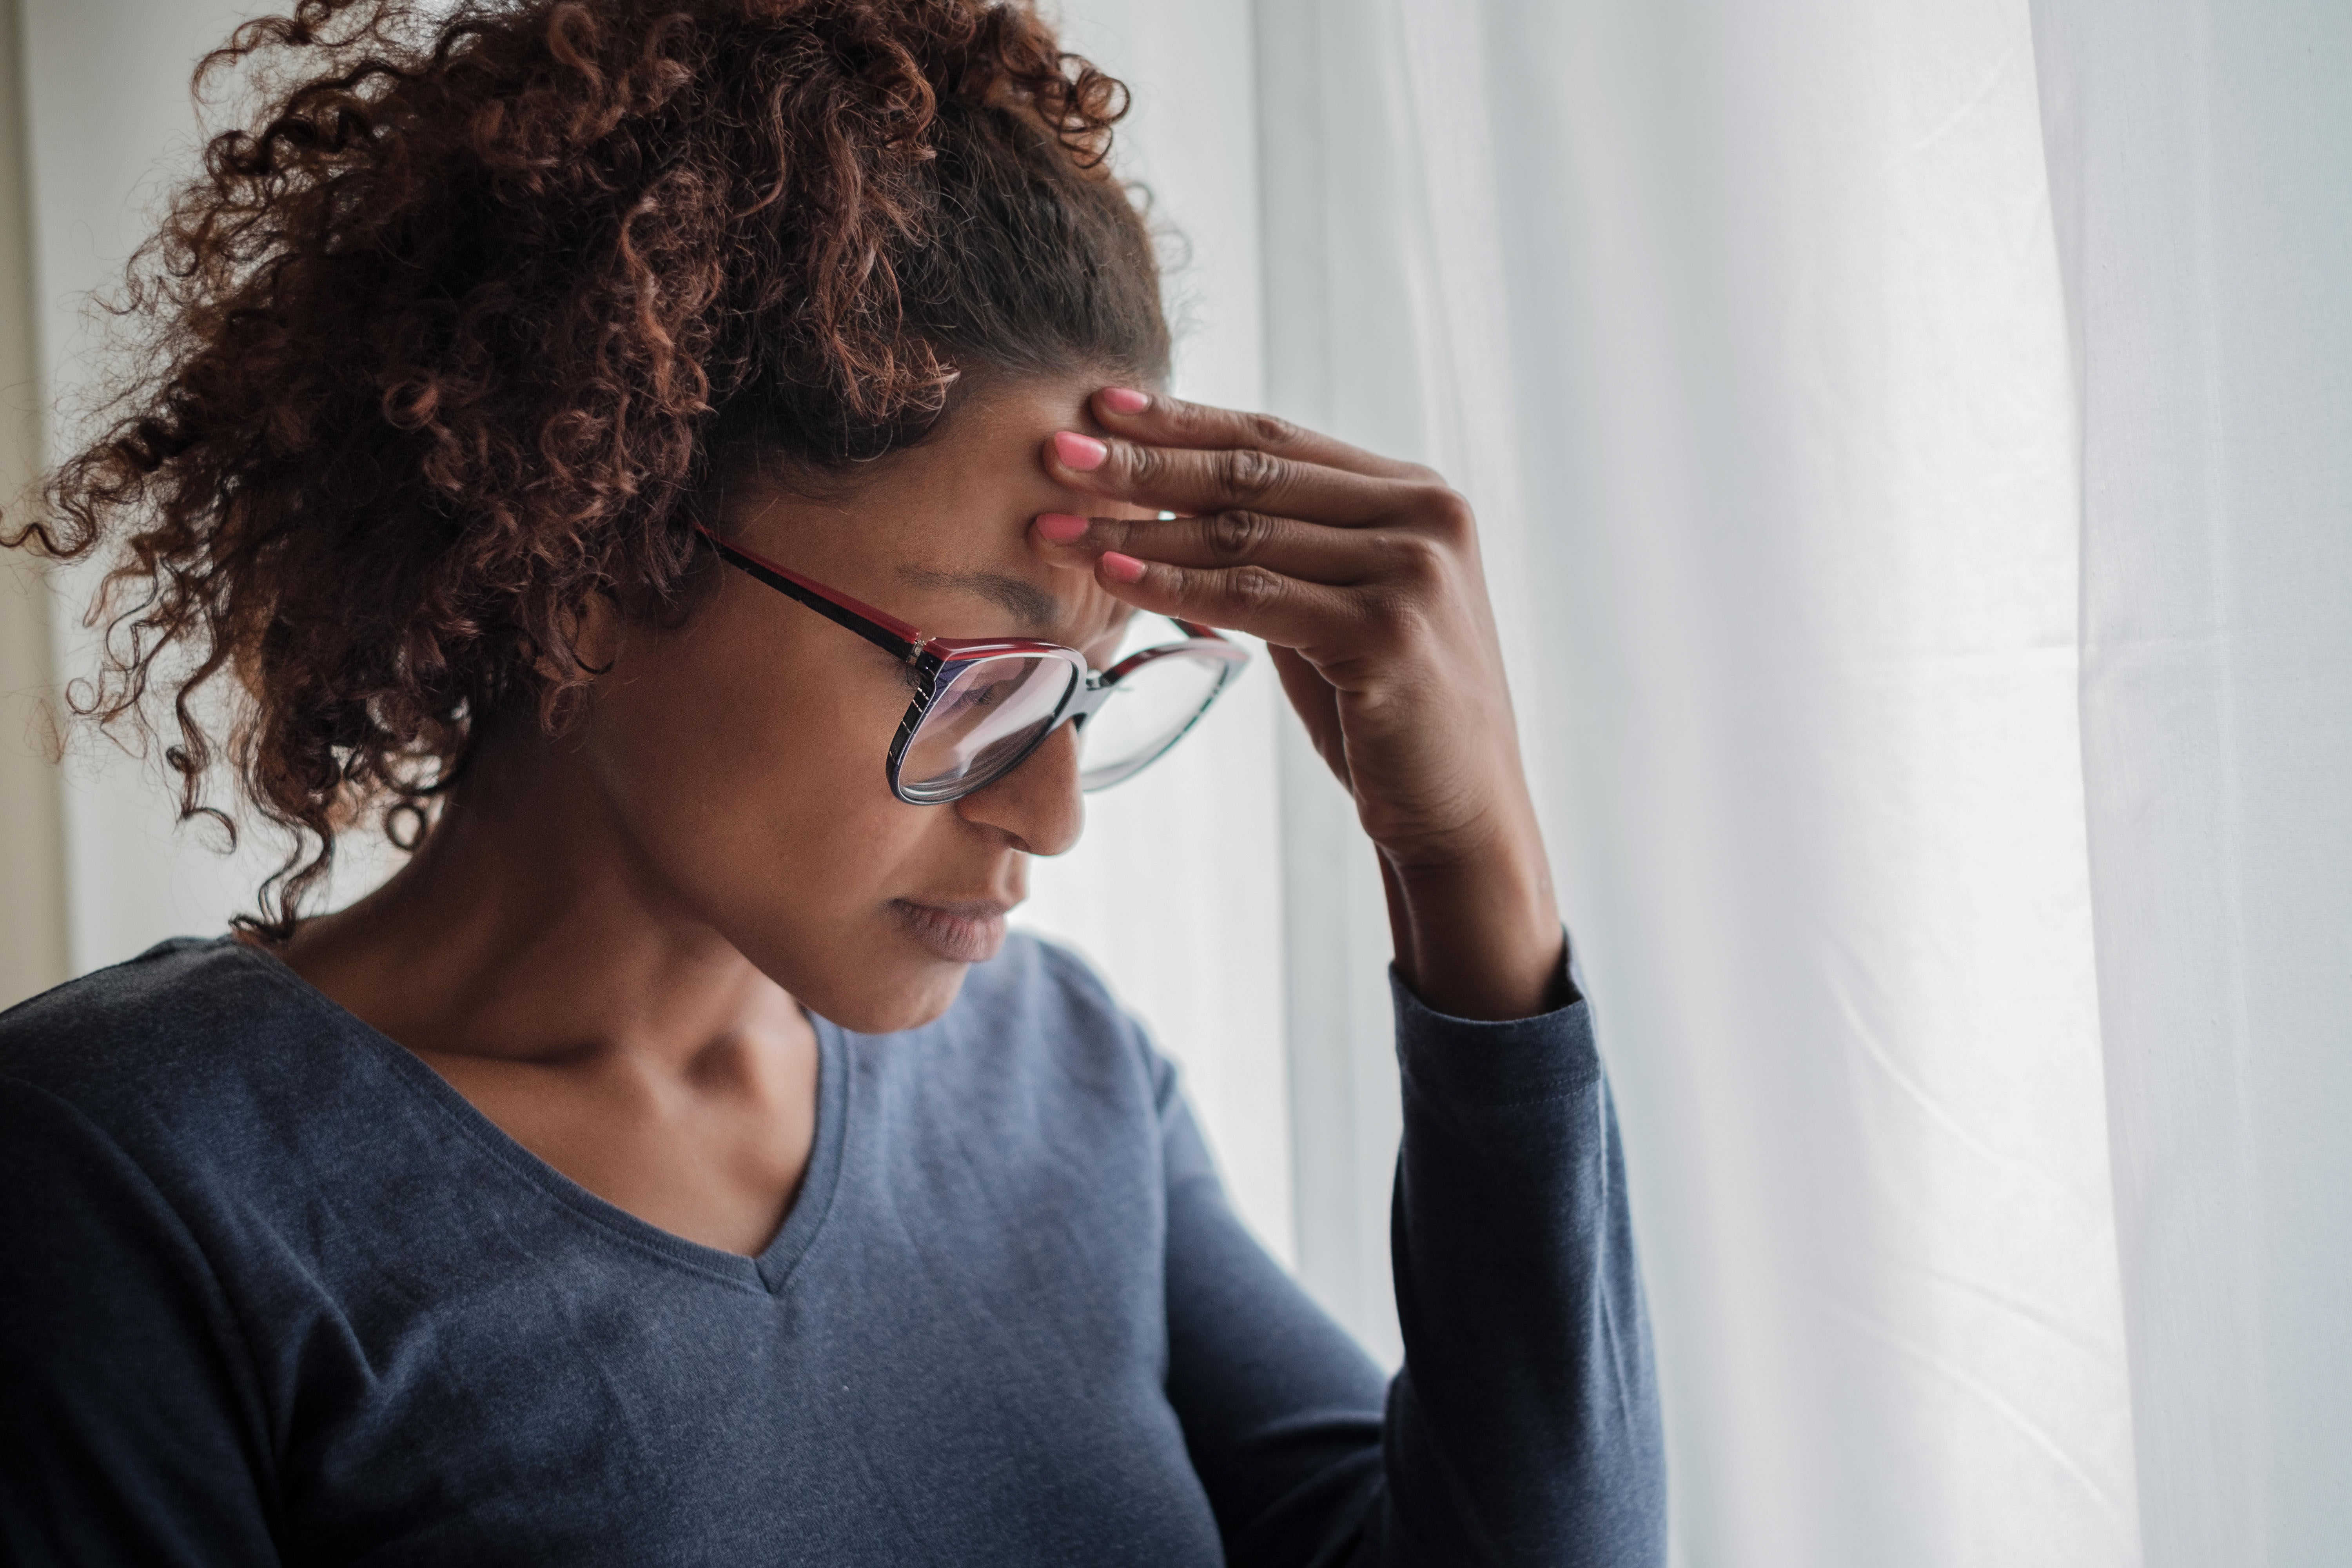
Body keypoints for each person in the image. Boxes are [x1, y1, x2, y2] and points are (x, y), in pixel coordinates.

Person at [0, 1, 1664, 1562]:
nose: (1051, 811)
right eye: (975, 675)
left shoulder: (1065, 1086)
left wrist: (1472, 866)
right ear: (595, 565)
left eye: (1087, 689)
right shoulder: (130, 1180)